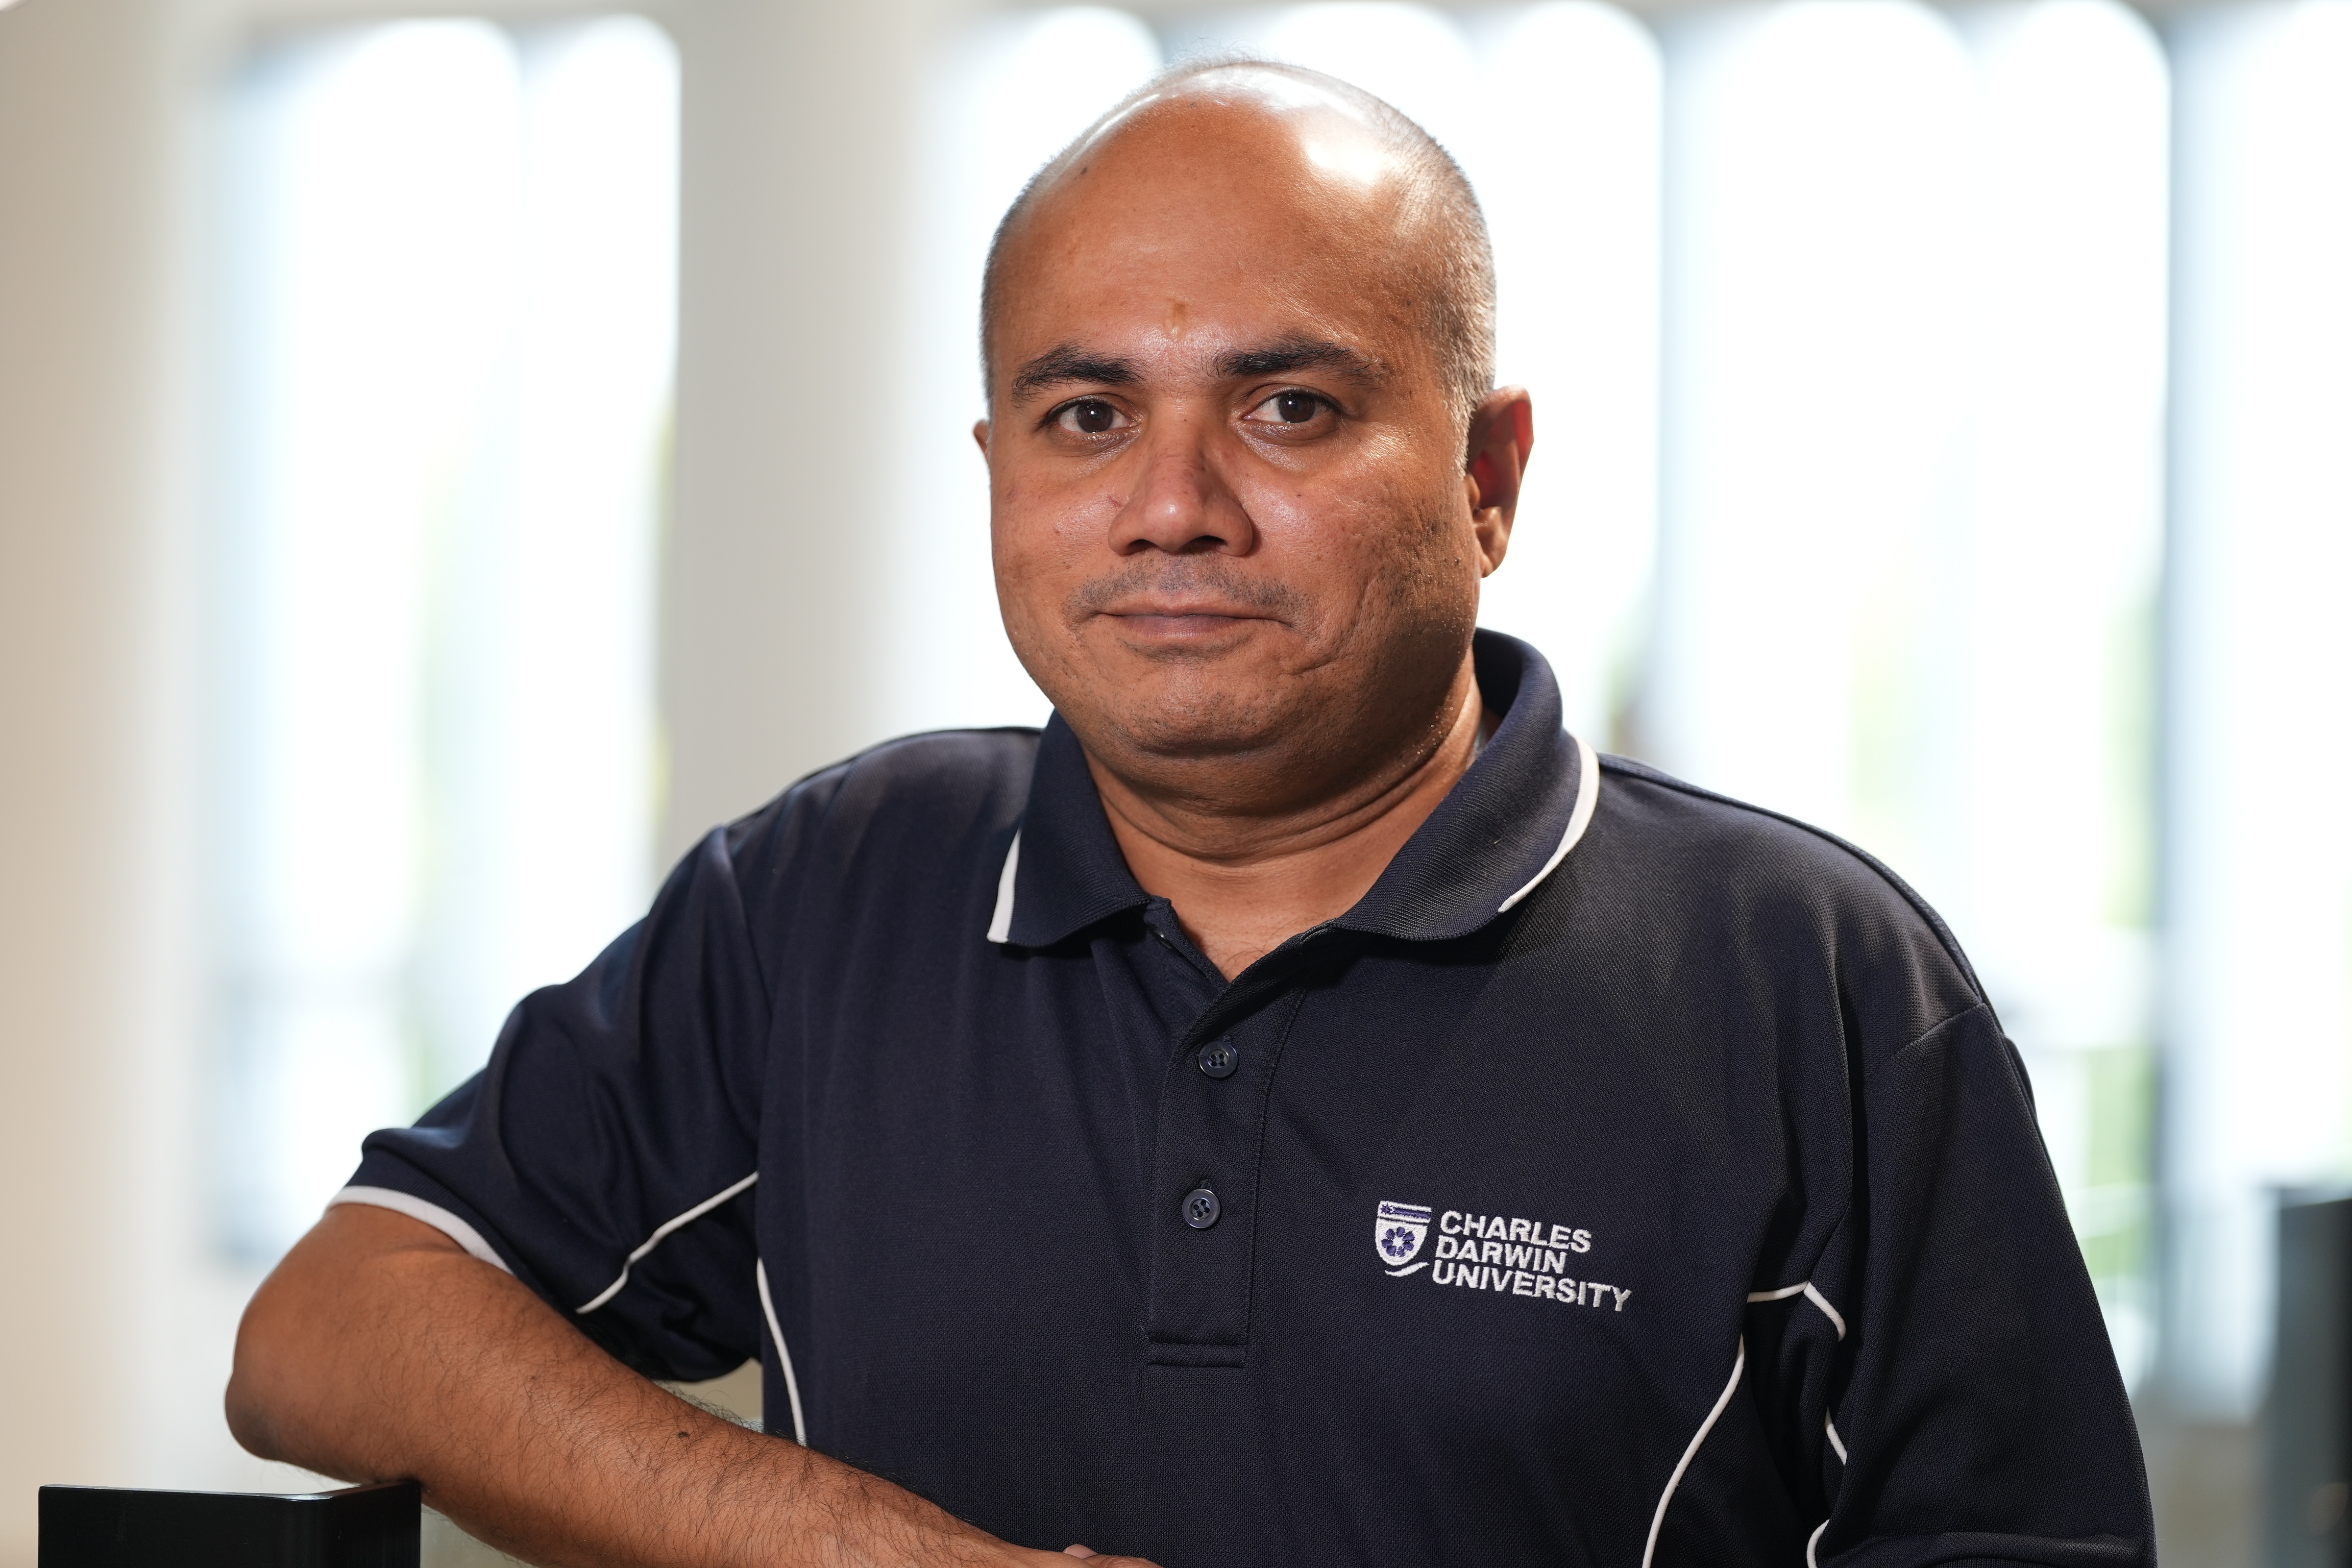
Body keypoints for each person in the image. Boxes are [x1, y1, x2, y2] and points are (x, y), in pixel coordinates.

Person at [227, 59, 2154, 1568]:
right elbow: (330, 1333)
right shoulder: (835, 894)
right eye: (1084, 417)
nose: (1171, 506)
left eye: (1288, 408)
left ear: (1489, 478)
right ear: (996, 468)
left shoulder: (1807, 980)